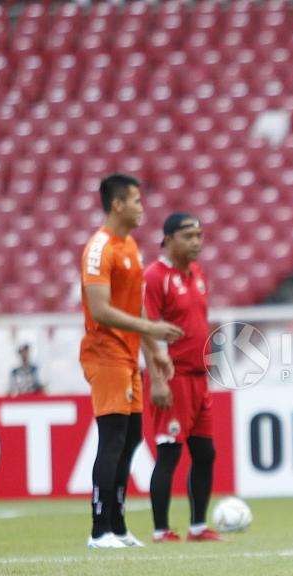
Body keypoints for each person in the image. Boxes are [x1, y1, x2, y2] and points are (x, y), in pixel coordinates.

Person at [80, 174, 183, 549]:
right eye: (137, 201)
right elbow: (101, 309)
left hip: (127, 354)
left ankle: (118, 527)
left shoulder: (130, 247)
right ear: (118, 204)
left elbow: (133, 302)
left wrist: (154, 350)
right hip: (105, 354)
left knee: (132, 438)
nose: (142, 207)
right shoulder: (99, 248)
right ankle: (98, 530)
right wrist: (150, 327)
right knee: (112, 440)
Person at [144, 213, 220, 543]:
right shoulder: (154, 276)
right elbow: (144, 328)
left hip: (199, 377)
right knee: (169, 452)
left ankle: (198, 527)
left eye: (200, 235)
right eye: (189, 236)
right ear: (168, 239)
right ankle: (161, 530)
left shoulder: (198, 273)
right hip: (172, 376)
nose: (197, 242)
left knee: (205, 452)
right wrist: (158, 379)